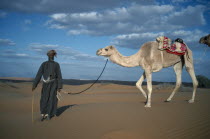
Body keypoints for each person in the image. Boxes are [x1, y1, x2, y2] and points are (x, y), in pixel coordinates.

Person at [32, 50, 62, 121]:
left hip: (54, 84)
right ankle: (43, 114)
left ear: (54, 56)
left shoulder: (56, 64)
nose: (51, 56)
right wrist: (34, 85)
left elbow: (59, 76)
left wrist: (59, 86)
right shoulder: (44, 64)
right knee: (44, 99)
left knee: (52, 98)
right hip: (45, 84)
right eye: (50, 55)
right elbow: (39, 74)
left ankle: (50, 114)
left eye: (52, 55)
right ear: (48, 55)